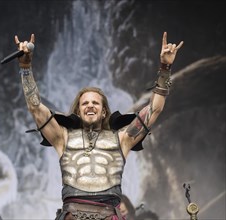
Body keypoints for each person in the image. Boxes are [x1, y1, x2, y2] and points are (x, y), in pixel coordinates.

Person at [14, 32, 183, 220]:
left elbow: (155, 109)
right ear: (78, 111)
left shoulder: (121, 139)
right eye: (85, 103)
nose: (90, 106)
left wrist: (165, 67)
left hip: (108, 214)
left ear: (104, 111)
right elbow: (35, 108)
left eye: (96, 103)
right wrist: (25, 67)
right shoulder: (63, 138)